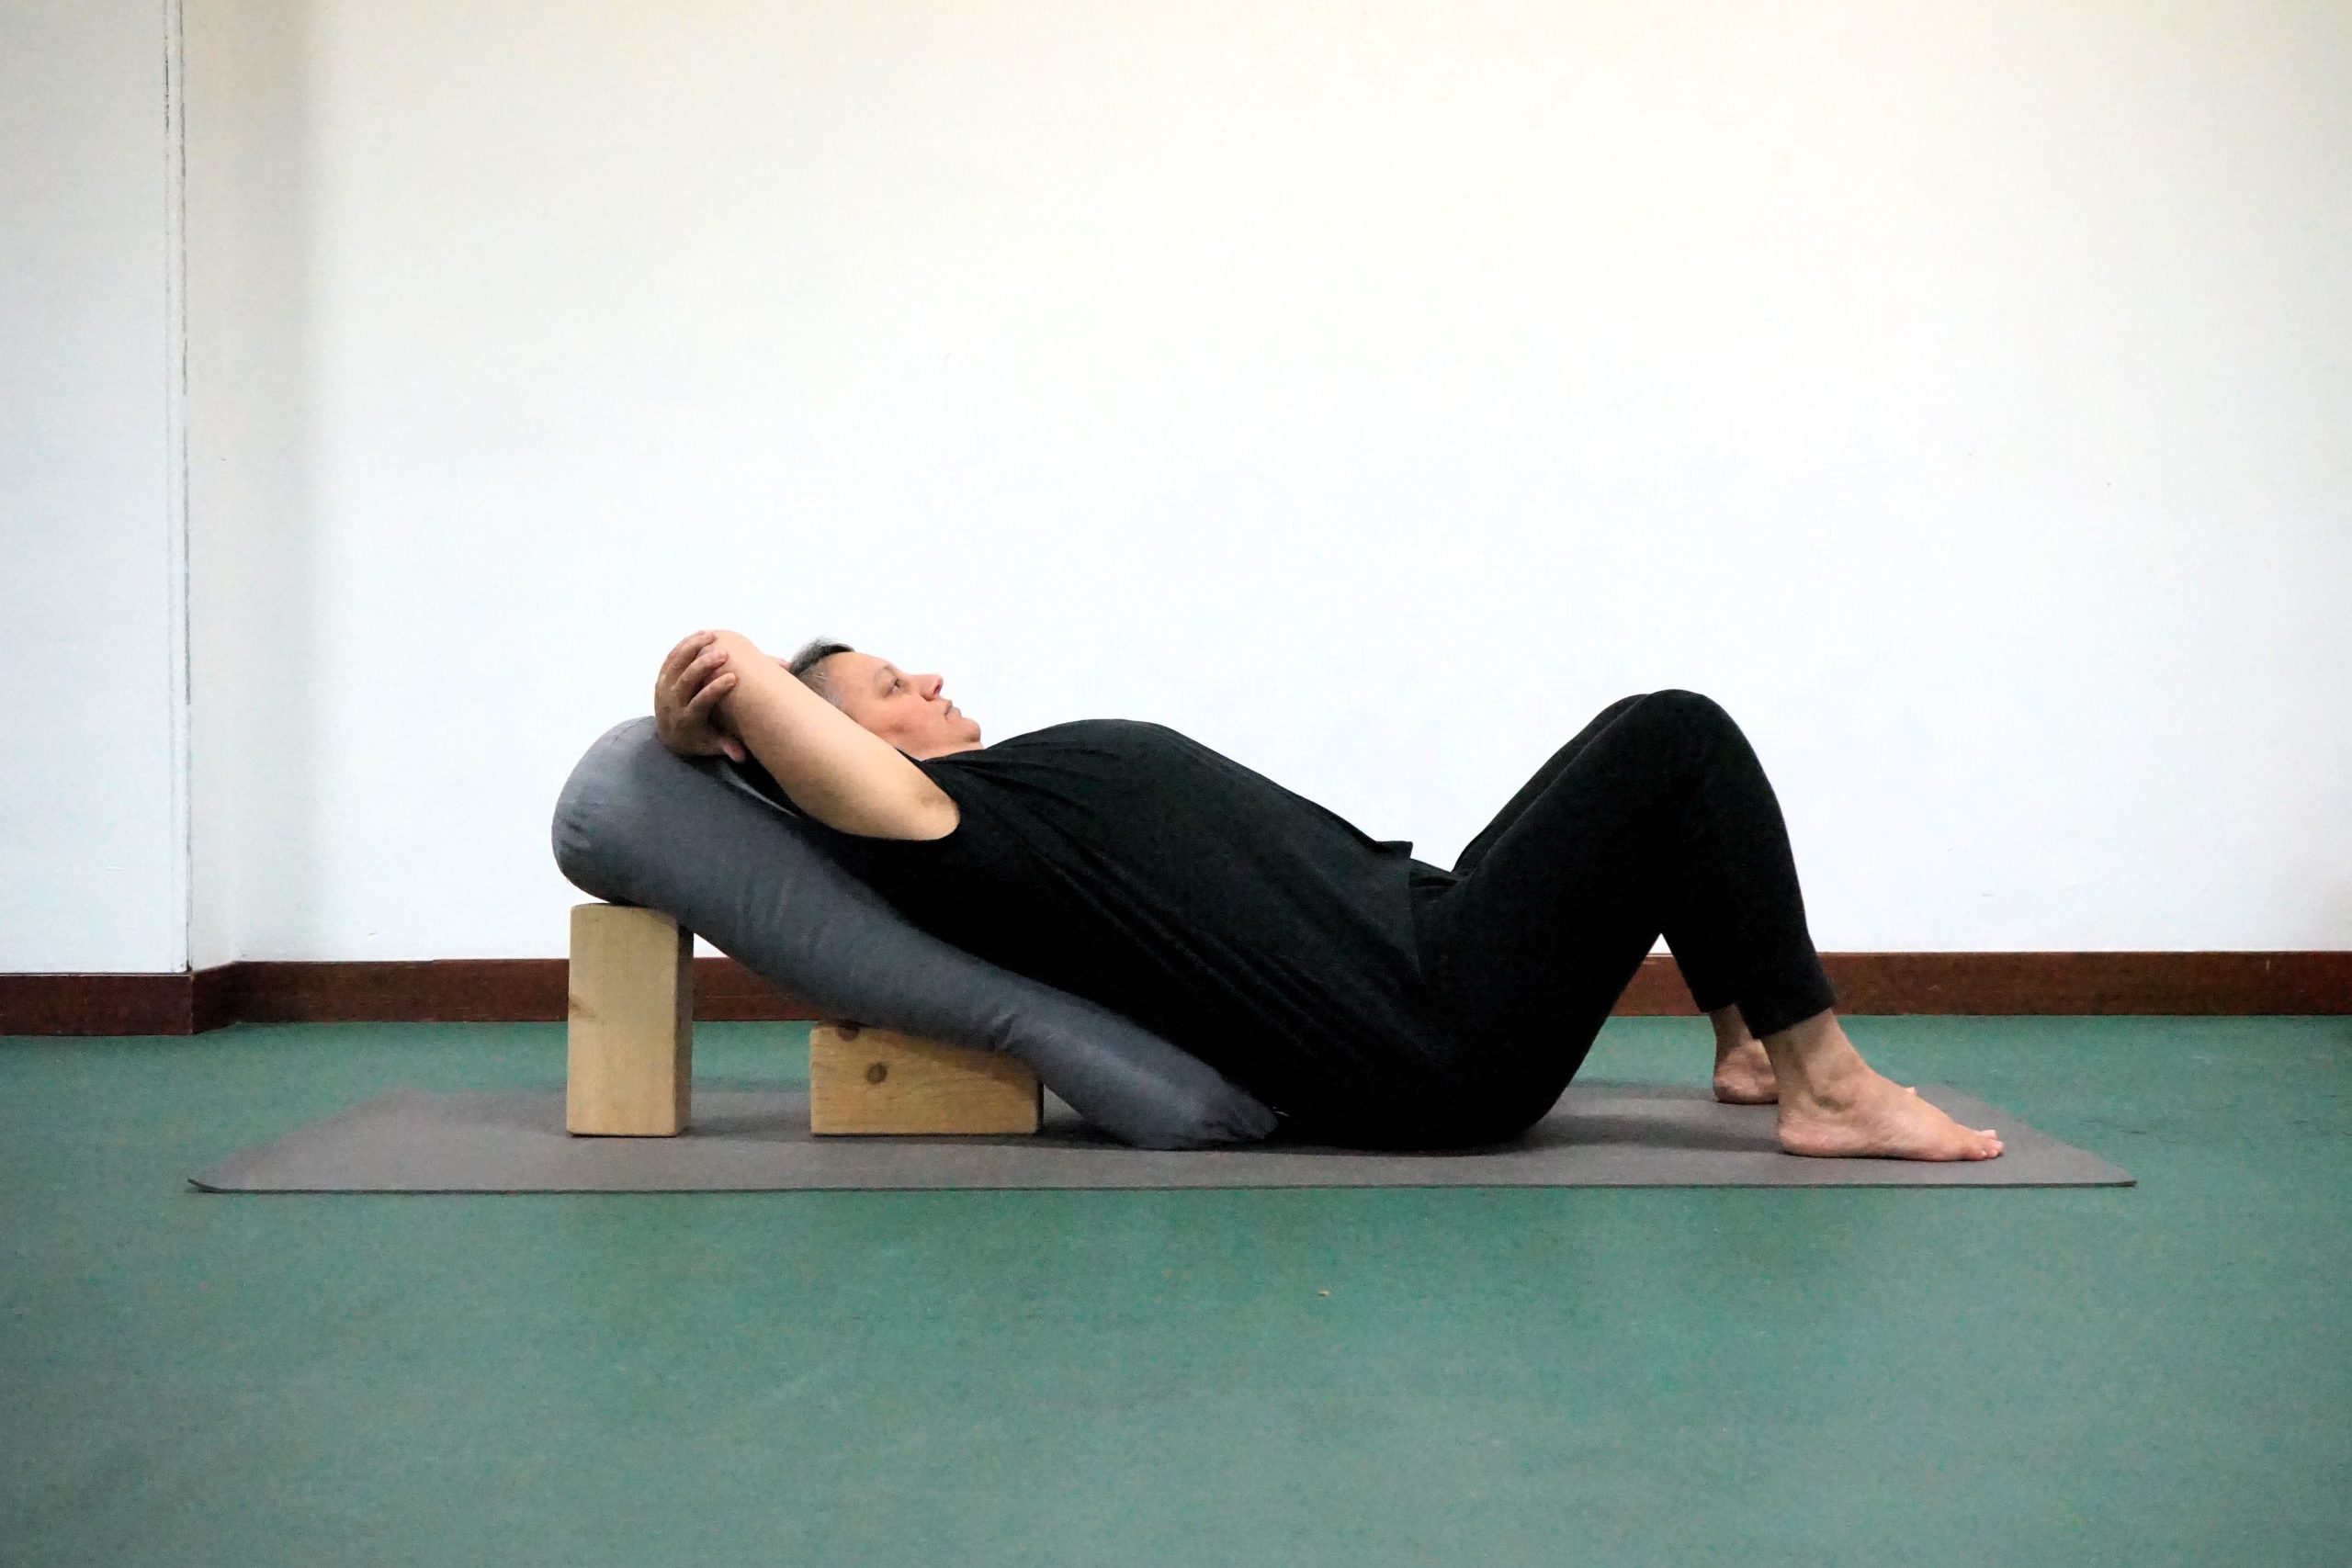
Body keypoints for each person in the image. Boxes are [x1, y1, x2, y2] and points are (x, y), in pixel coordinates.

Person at [650, 627, 2002, 1161]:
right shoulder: (950, 834)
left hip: (1432, 947)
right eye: (892, 688)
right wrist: (721, 693)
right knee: (1676, 739)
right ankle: (1827, 1086)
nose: (932, 678)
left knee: (1631, 745)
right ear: (838, 750)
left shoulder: (994, 805)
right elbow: (791, 736)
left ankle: (1748, 1044)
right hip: (1434, 1033)